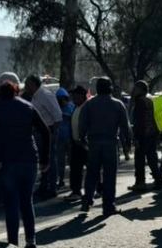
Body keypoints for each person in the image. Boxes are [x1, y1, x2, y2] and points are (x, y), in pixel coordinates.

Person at [0, 72, 49, 248]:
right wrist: (45, 158)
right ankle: (31, 242)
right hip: (29, 159)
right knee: (26, 202)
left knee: (11, 204)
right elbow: (45, 131)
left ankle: (13, 246)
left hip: (5, 161)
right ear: (16, 91)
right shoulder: (28, 106)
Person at [77, 76, 131, 215]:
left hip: (94, 143)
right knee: (109, 175)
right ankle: (108, 206)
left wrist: (82, 139)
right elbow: (125, 127)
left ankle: (87, 200)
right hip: (110, 143)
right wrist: (128, 144)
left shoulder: (89, 104)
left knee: (91, 174)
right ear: (110, 88)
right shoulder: (118, 104)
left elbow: (82, 124)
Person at [23, 74, 62, 198]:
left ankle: (52, 187)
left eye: (27, 85)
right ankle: (44, 186)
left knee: (50, 159)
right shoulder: (35, 96)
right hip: (40, 131)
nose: (26, 88)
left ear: (33, 84)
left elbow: (58, 115)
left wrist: (52, 133)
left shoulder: (45, 95)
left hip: (48, 131)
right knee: (44, 160)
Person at [129, 80, 162, 191]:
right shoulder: (150, 99)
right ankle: (158, 180)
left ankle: (140, 182)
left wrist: (136, 137)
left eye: (136, 88)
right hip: (151, 133)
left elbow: (140, 121)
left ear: (141, 89)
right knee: (152, 158)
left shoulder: (140, 102)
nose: (133, 90)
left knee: (139, 159)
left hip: (143, 134)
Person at [68, 85, 89, 197]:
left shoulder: (87, 107)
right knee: (75, 168)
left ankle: (99, 188)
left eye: (75, 95)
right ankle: (76, 191)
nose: (73, 98)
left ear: (81, 96)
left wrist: (84, 140)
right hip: (76, 143)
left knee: (91, 168)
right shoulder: (76, 107)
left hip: (85, 144)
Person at [55, 87, 73, 187]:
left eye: (62, 99)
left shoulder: (71, 107)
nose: (60, 101)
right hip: (59, 139)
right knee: (60, 161)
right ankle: (61, 179)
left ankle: (72, 180)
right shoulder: (56, 108)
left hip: (70, 139)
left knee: (72, 161)